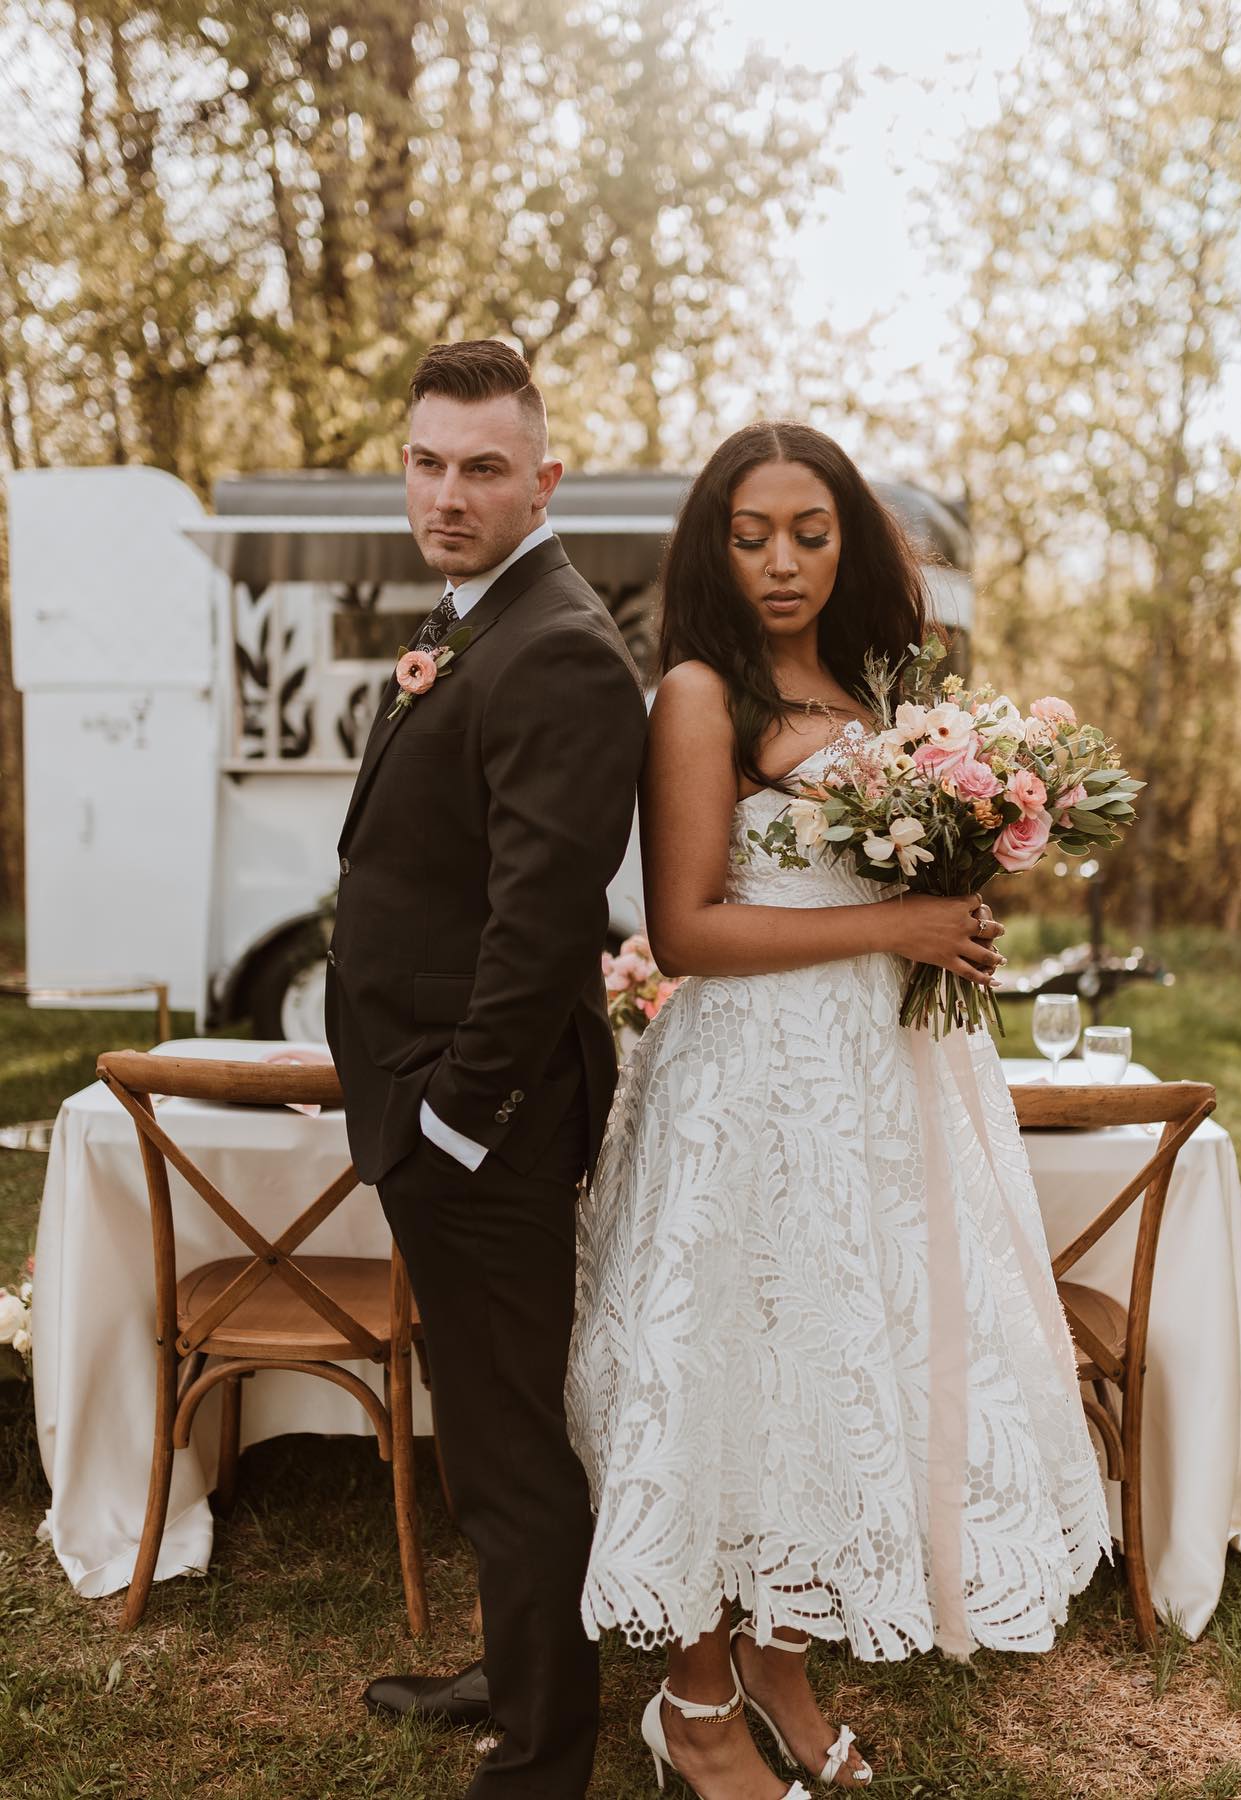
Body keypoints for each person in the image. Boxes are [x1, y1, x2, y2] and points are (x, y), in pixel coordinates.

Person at [567, 423, 1109, 1798]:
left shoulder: (889, 701)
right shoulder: (701, 693)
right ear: (714, 549)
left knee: (845, 1373)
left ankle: (783, 1662)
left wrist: (948, 899)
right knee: (731, 1375)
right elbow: (685, 930)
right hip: (752, 1089)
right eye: (750, 536)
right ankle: (691, 1708)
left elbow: (898, 895)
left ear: (849, 541)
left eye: (809, 532)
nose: (782, 562)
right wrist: (900, 927)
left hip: (881, 1085)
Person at [325, 338, 647, 1799]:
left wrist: (450, 1126)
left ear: (544, 481)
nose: (446, 494)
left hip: (485, 1129)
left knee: (513, 1449)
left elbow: (541, 926)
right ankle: (509, 1672)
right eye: (426, 461)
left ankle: (540, 1756)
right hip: (434, 1109)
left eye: (483, 469)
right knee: (485, 1424)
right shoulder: (476, 616)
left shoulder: (563, 646)